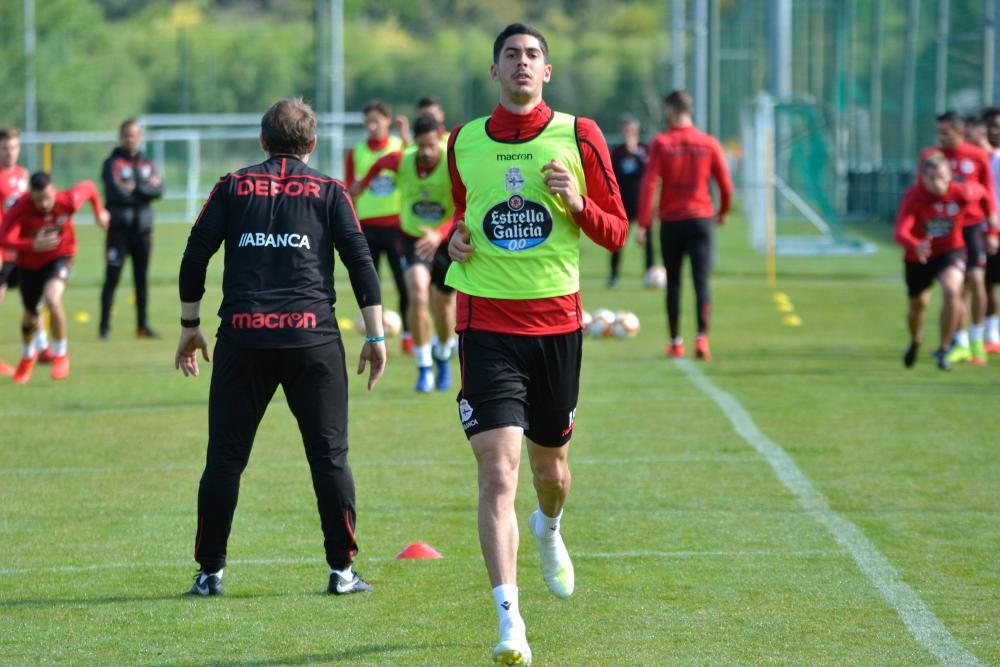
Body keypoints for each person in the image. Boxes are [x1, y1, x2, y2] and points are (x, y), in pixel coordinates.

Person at [445, 23, 628, 666]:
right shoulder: (463, 140)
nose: (521, 64)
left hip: (556, 330)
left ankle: (549, 528)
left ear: (546, 71)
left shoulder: (580, 135)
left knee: (551, 474)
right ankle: (510, 623)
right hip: (486, 326)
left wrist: (576, 200)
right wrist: (453, 242)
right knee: (499, 471)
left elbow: (617, 231)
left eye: (532, 56)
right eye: (510, 56)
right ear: (494, 72)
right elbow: (460, 216)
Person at [175, 98, 386, 597]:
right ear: (312, 144)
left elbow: (194, 254)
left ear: (262, 141)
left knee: (225, 458)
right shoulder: (331, 191)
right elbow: (361, 262)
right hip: (312, 338)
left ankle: (210, 573)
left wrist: (189, 325)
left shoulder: (231, 186)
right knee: (329, 458)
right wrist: (375, 335)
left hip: (244, 336)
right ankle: (342, 572)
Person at [355, 113, 456, 393]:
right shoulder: (403, 159)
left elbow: (465, 206)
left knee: (444, 307)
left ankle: (443, 356)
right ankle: (424, 367)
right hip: (412, 237)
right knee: (418, 292)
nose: (425, 152)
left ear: (440, 139)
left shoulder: (452, 162)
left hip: (444, 240)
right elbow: (378, 165)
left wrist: (440, 233)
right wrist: (361, 185)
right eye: (420, 145)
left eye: (431, 146)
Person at [637, 89, 733, 361]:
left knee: (675, 283)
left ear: (670, 110)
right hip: (702, 219)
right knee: (701, 281)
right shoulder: (709, 143)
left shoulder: (661, 143)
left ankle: (676, 341)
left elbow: (650, 184)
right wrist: (723, 211)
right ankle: (702, 339)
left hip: (672, 221)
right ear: (690, 110)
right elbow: (725, 185)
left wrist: (644, 223)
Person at [0, 173, 109, 383]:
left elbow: (89, 186)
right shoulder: (21, 206)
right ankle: (27, 356)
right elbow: (3, 238)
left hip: (61, 256)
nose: (45, 203)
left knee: (52, 298)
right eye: (39, 199)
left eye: (48, 197)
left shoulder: (67, 200)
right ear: (30, 195)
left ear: (55, 190)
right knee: (31, 313)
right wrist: (31, 245)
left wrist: (98, 212)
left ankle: (60, 355)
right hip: (29, 263)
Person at [895, 152, 994, 370]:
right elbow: (900, 230)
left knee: (952, 290)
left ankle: (944, 348)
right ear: (923, 178)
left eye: (941, 177)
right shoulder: (915, 197)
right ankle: (915, 340)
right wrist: (914, 243)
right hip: (918, 256)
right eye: (931, 178)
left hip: (950, 252)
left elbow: (984, 193)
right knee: (918, 307)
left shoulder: (962, 192)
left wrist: (992, 223)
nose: (937, 183)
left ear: (950, 176)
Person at [917, 111, 998, 366]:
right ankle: (960, 341)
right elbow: (921, 195)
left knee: (977, 280)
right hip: (944, 228)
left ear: (959, 132)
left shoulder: (976, 156)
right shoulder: (931, 157)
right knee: (955, 288)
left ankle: (978, 339)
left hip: (972, 226)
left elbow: (987, 193)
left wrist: (992, 231)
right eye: (938, 132)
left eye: (945, 132)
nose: (940, 137)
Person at [345, 99, 412, 354]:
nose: (372, 126)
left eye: (377, 120)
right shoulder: (356, 151)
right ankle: (374, 336)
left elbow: (415, 169)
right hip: (367, 228)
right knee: (369, 283)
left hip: (396, 226)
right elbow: (351, 189)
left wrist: (406, 136)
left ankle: (407, 336)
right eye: (368, 121)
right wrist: (356, 186)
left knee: (403, 283)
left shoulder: (399, 147)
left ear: (387, 120)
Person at [99, 118, 163, 339]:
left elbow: (159, 190)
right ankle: (104, 327)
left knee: (141, 279)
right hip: (118, 230)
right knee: (112, 278)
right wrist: (144, 189)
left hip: (143, 230)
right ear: (121, 136)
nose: (131, 138)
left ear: (140, 136)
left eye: (134, 134)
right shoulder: (112, 163)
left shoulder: (148, 162)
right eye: (127, 134)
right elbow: (117, 192)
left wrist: (135, 188)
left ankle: (142, 326)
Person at [608, 113, 654, 289]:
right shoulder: (617, 152)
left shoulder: (645, 149)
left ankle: (650, 275)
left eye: (631, 128)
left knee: (648, 241)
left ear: (636, 129)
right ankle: (613, 277)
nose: (627, 132)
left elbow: (650, 174)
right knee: (617, 240)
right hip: (623, 204)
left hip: (642, 203)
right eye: (624, 129)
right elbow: (613, 176)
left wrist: (635, 153)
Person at [0, 128, 30, 375]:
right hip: (2, 247)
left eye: (13, 147)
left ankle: (40, 347)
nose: (9, 152)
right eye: (4, 148)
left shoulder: (23, 175)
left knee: (33, 298)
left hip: (22, 247)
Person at [982, 107, 1000, 352]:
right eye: (990, 126)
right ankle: (989, 334)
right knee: (985, 283)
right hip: (985, 230)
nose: (994, 131)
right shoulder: (978, 158)